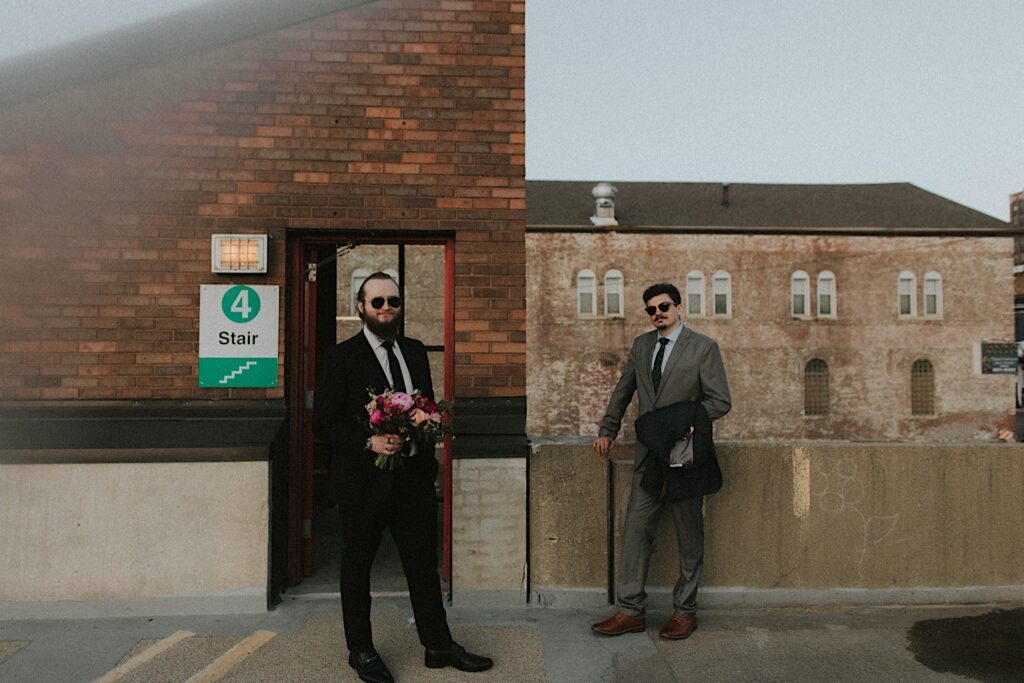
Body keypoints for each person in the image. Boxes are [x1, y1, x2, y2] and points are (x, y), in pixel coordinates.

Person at [315, 272, 492, 683]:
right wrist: (368, 442)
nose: (386, 309)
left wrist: (425, 418)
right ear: (361, 306)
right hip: (362, 483)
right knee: (357, 567)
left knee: (422, 566)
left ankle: (438, 644)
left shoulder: (413, 350)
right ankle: (360, 650)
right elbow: (323, 423)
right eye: (377, 302)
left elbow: (426, 403)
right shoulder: (341, 357)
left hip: (412, 478)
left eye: (393, 301)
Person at [591, 282, 731, 641]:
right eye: (651, 310)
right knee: (636, 530)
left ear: (679, 307)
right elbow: (623, 391)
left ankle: (685, 612)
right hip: (649, 457)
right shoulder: (641, 346)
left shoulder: (703, 347)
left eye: (664, 307)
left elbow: (720, 401)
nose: (658, 314)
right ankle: (630, 611)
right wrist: (607, 428)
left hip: (684, 456)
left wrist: (686, 424)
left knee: (689, 536)